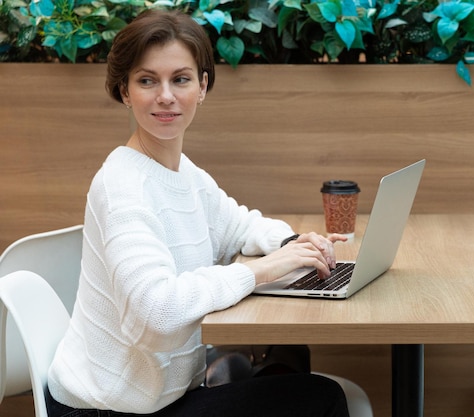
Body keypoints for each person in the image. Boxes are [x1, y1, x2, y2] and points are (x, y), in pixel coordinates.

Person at [45, 8, 349, 417]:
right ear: (124, 91)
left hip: (157, 395)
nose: (166, 96)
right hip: (109, 408)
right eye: (147, 80)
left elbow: (238, 226)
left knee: (291, 361)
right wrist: (262, 270)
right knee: (322, 397)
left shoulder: (184, 174)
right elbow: (156, 312)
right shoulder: (122, 186)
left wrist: (292, 243)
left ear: (202, 86)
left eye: (181, 79)